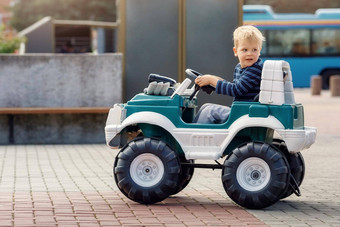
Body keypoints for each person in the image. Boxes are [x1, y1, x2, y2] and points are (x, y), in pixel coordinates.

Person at [193, 25, 265, 124]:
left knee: (209, 112)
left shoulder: (256, 69)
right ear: (236, 51)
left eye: (254, 50)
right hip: (241, 110)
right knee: (206, 107)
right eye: (245, 50)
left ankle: (198, 136)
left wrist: (211, 80)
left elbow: (236, 90)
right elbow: (236, 87)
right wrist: (213, 82)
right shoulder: (240, 67)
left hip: (246, 113)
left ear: (259, 50)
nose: (250, 53)